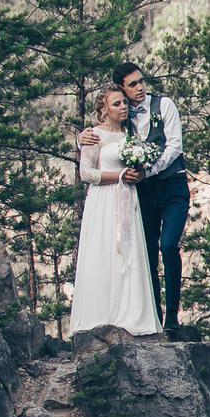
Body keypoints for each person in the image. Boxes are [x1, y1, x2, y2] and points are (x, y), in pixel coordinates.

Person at [79, 59, 190, 332]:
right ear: (122, 89)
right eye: (132, 84)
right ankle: (152, 313)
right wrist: (81, 138)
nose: (140, 87)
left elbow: (174, 146)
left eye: (141, 81)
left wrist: (147, 171)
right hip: (143, 194)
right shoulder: (121, 115)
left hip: (172, 186)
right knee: (147, 254)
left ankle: (173, 316)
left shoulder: (163, 105)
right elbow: (106, 138)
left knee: (168, 246)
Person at [66, 85, 160, 336]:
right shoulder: (94, 135)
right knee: (104, 251)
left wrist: (137, 175)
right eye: (116, 104)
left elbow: (139, 171)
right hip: (103, 201)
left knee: (128, 254)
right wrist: (120, 175)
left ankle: (130, 313)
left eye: (124, 103)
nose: (123, 108)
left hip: (128, 199)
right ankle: (100, 314)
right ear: (102, 109)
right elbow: (86, 173)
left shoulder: (132, 137)